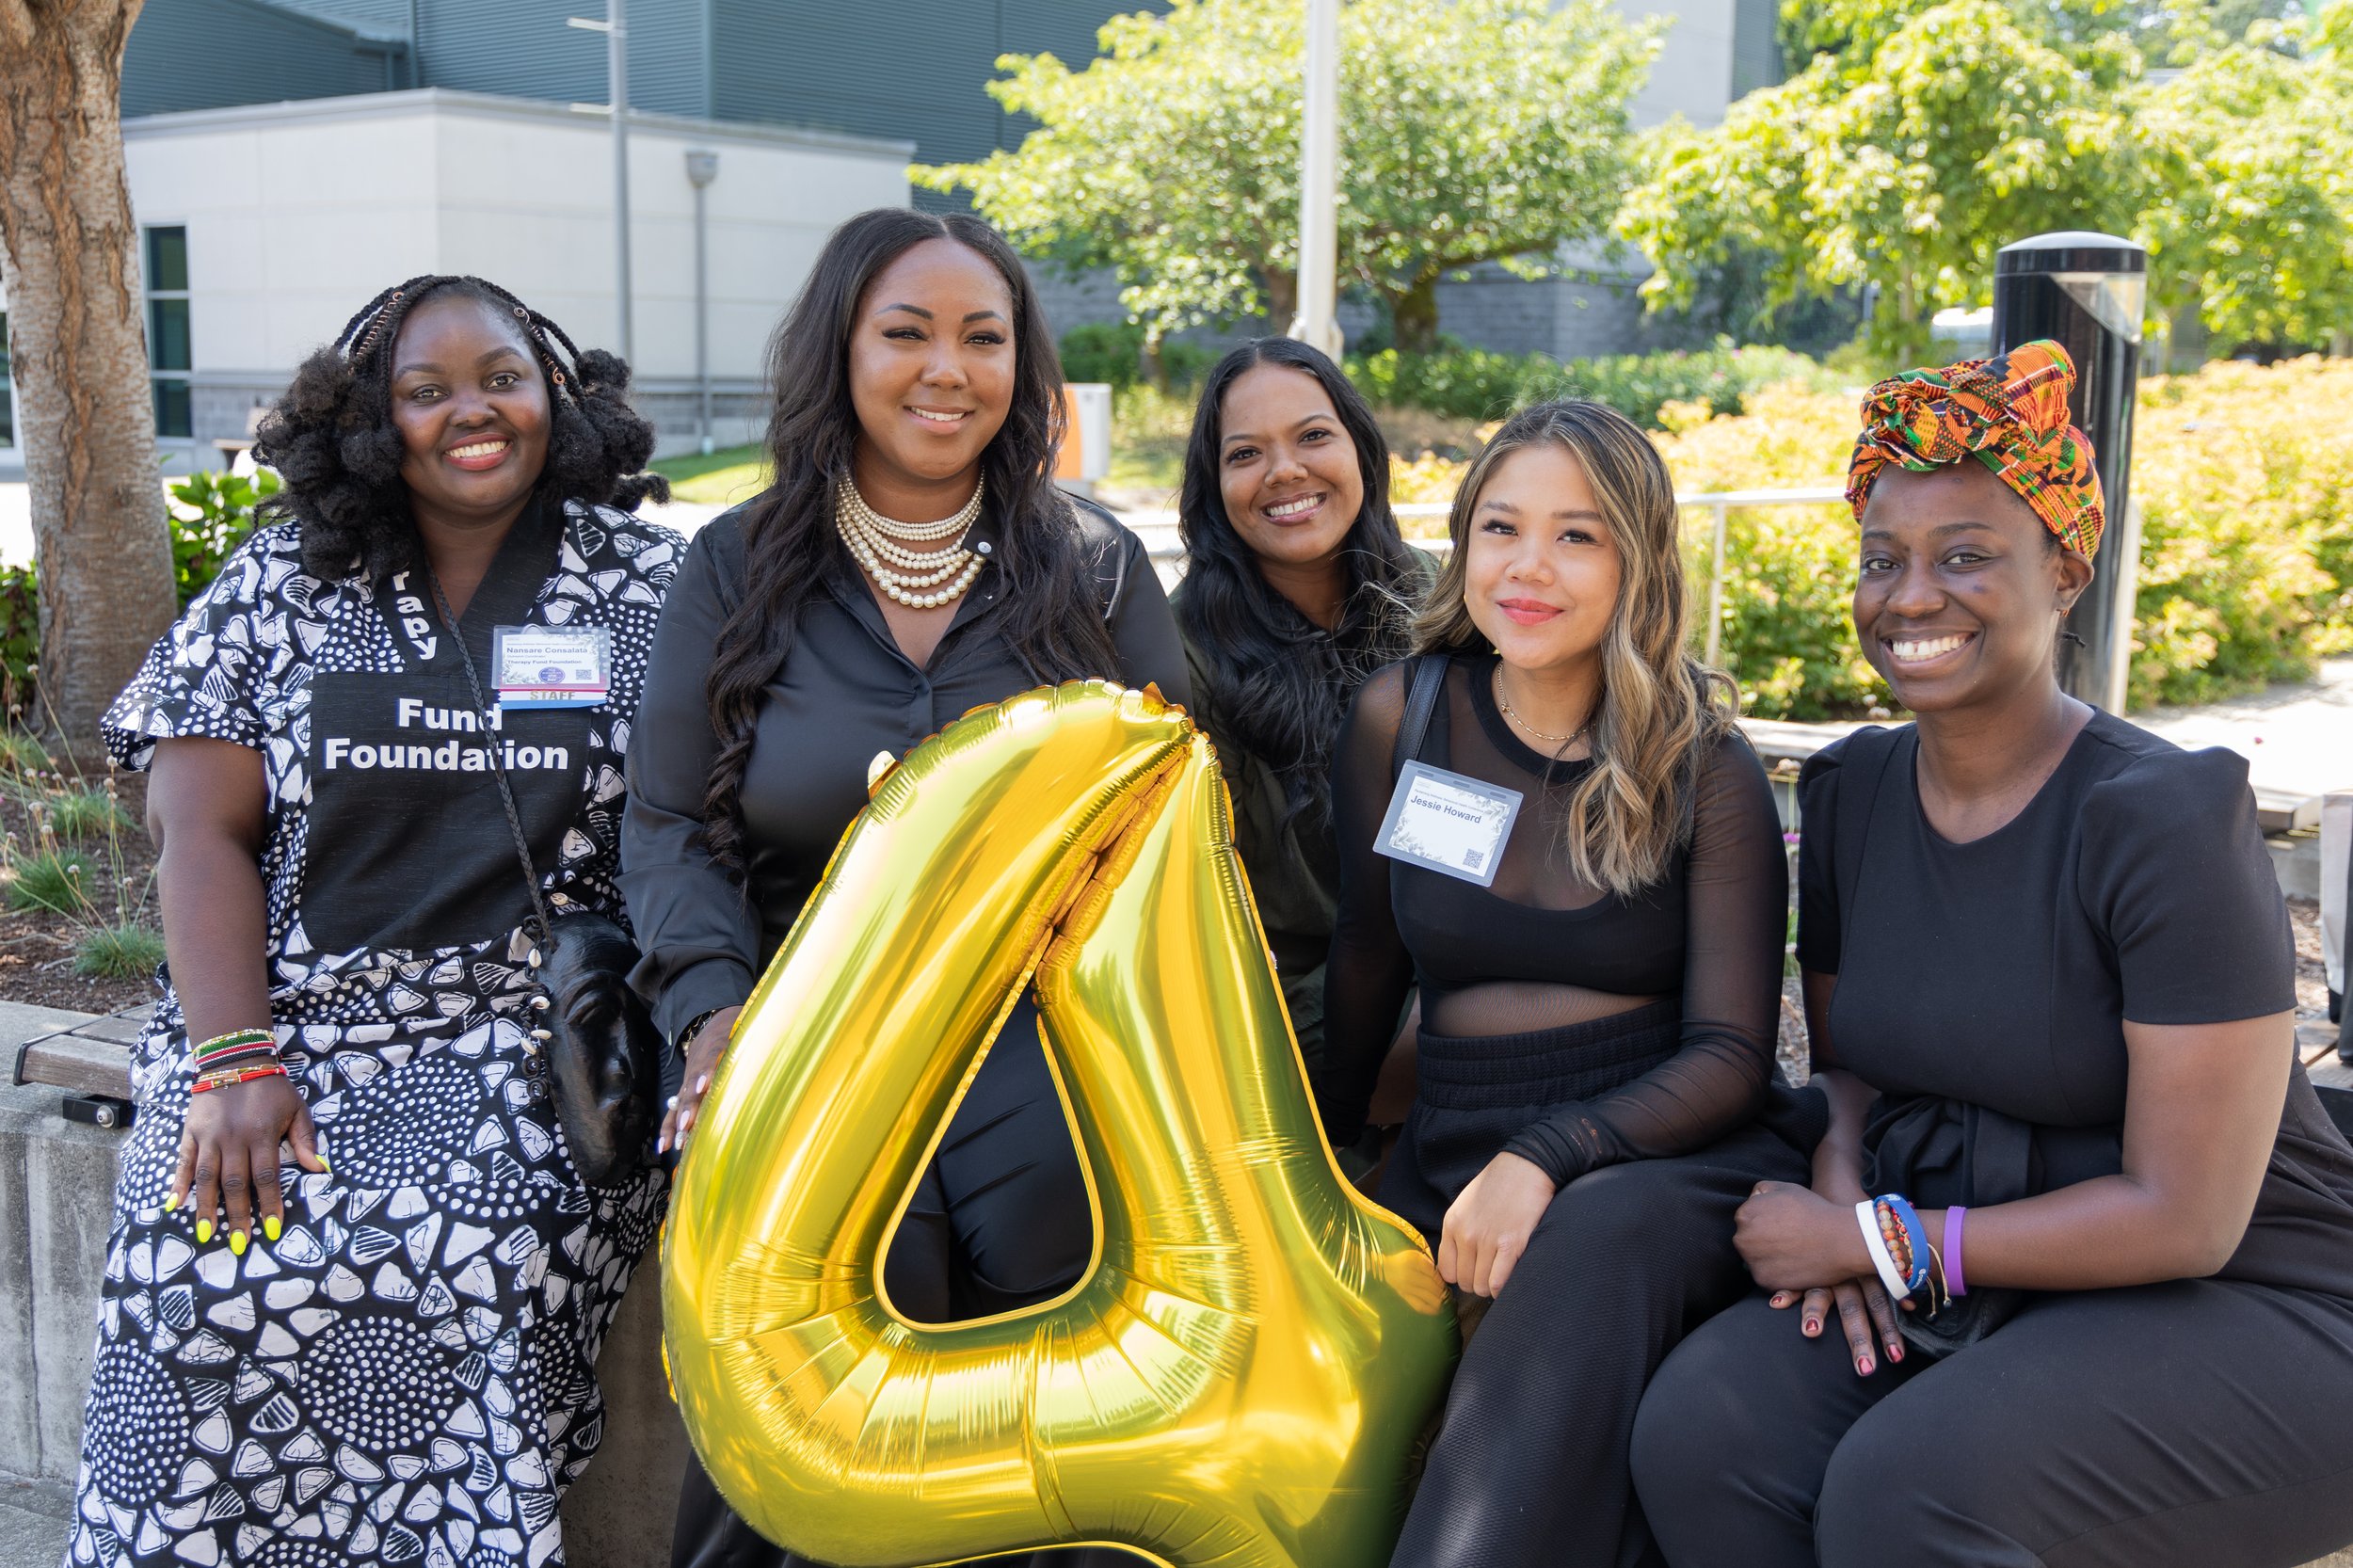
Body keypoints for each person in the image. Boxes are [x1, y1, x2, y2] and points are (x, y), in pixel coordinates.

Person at [1630, 342, 2353, 1568]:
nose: (1911, 597)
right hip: (1979, 1268)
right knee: (1707, 1433)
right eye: (1882, 559)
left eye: (1965, 555)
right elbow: (1854, 1068)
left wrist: (1886, 1244)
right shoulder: (1854, 794)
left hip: (2252, 1296)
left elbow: (2186, 1215)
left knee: (1913, 1492)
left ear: (2064, 571)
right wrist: (1843, 1180)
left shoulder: (2163, 818)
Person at [71, 275, 679, 1568]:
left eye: (503, 378)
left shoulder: (650, 586)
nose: (473, 410)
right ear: (366, 420)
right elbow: (198, 832)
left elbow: (705, 823)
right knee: (192, 1274)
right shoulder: (282, 581)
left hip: (526, 1035)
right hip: (285, 1020)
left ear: (557, 396)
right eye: (426, 389)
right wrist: (236, 1060)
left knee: (469, 1252)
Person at [620, 208, 1189, 1568]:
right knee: (825, 1299)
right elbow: (670, 823)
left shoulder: (1095, 566)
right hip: (795, 1021)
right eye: (907, 332)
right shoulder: (738, 564)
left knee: (1055, 1251)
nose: (948, 369)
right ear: (842, 349)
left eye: (984, 337)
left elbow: (1172, 817)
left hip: (1037, 1021)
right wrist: (719, 1023)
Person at [1318, 398, 1812, 1568]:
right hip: (1457, 1132)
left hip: (1653, 1150)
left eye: (1576, 535)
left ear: (1637, 562)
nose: (1527, 567)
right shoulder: (1403, 716)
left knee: (1580, 1254)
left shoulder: (1703, 764)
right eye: (1501, 527)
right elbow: (1367, 958)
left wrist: (1547, 1155)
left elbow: (1732, 1055)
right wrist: (1322, 1148)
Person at [1168, 337, 1426, 1094]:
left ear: (1360, 449)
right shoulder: (1179, 660)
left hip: (1460, 985)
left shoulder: (1440, 606)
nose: (1285, 471)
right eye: (1246, 453)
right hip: (1283, 1030)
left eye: (1313, 436)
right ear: (1215, 486)